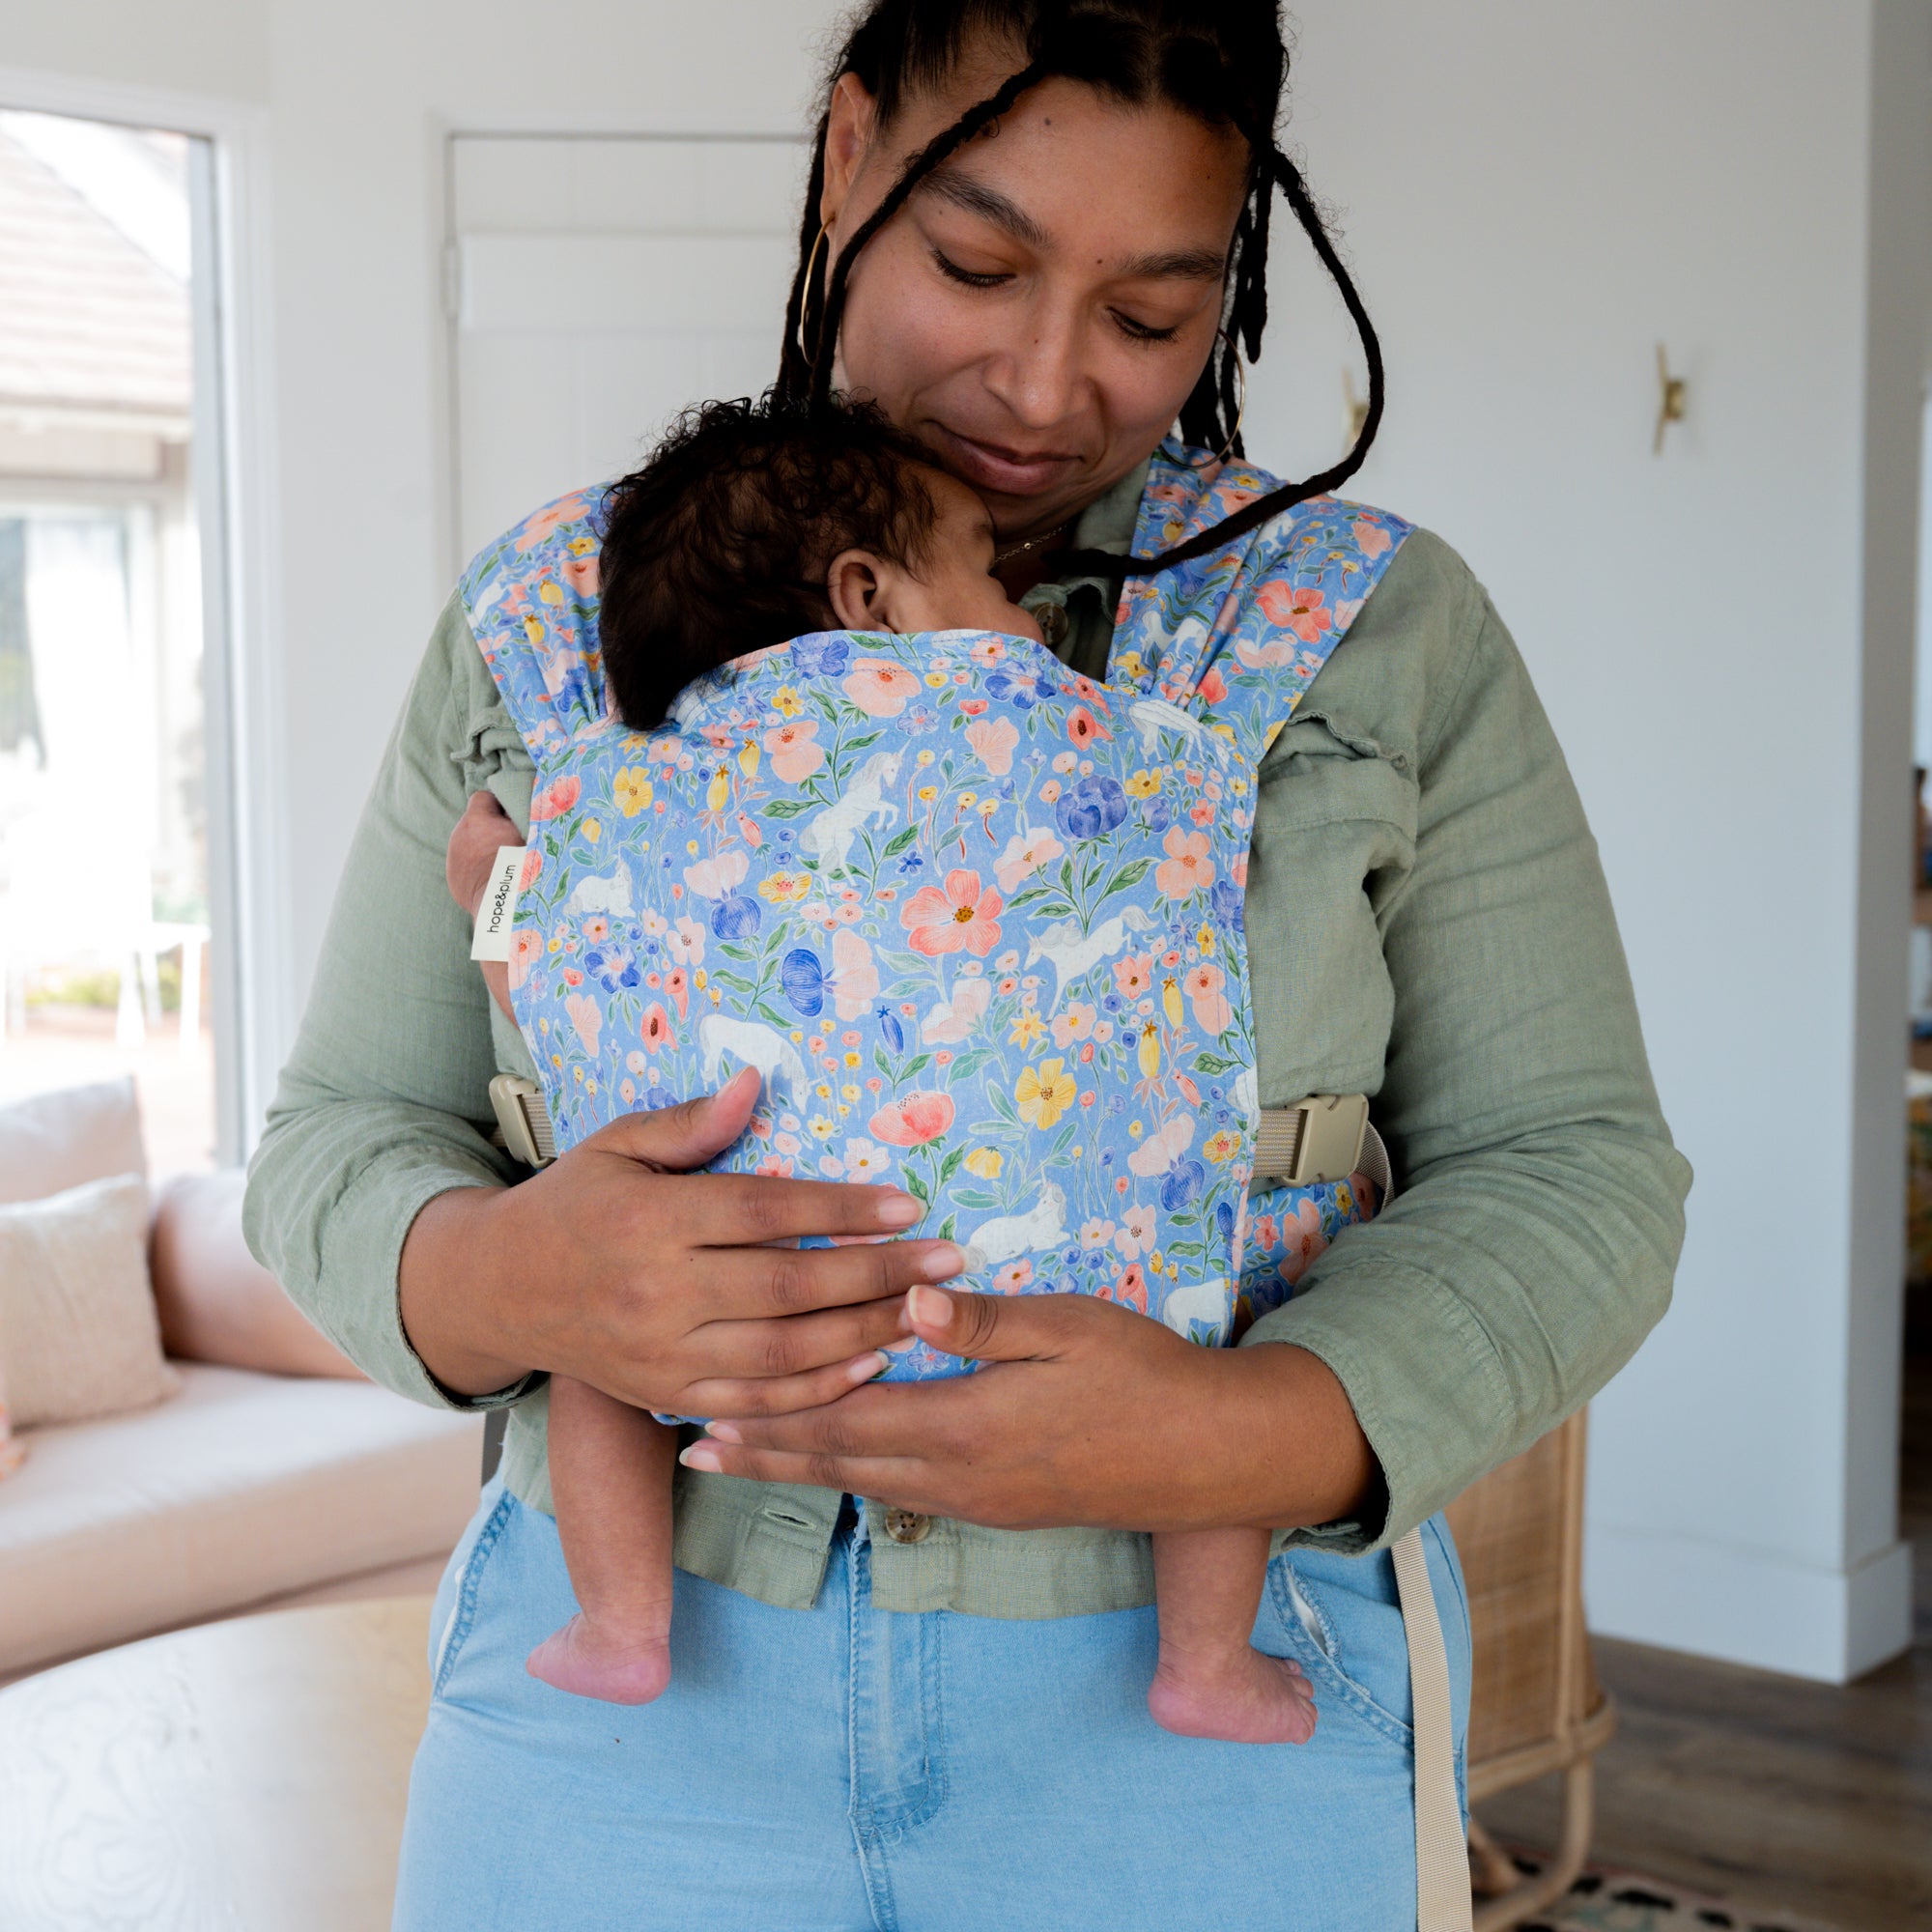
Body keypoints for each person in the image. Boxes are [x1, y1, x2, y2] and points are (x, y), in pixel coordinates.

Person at [246, 5, 1690, 1926]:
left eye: (1152, 311)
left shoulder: (1370, 640)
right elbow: (334, 1140)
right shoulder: (554, 619)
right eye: (977, 263)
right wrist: (511, 1269)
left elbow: (1578, 1169)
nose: (1040, 382)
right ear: (849, 159)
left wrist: (1245, 1430)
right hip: (623, 1706)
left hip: (1199, 1730)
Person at [446, 388, 1323, 1744]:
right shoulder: (1053, 739)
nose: (1025, 620)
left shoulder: (624, 811)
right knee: (1208, 1349)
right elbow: (1188, 869)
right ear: (874, 597)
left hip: (734, 1325)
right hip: (1070, 1300)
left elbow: (532, 978)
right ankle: (1205, 1658)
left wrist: (493, 886)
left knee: (596, 1359)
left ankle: (622, 1622)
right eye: (987, 569)